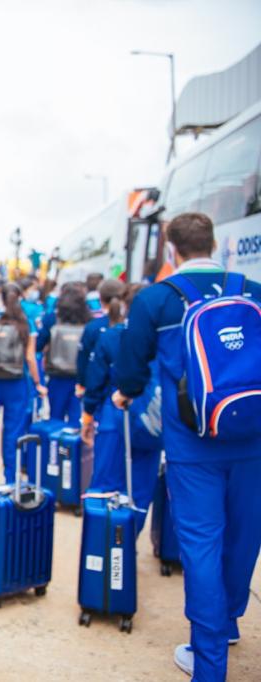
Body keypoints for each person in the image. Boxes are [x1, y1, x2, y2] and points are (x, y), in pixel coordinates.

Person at [113, 213, 261, 681]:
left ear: (170, 249)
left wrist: (124, 394)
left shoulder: (156, 299)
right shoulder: (252, 289)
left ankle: (209, 661)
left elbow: (132, 369)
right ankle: (229, 619)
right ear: (215, 243)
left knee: (201, 544)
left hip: (192, 443)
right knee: (244, 537)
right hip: (254, 436)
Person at [80, 283, 160, 533]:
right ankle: (125, 547)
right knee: (140, 489)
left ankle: (104, 547)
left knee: (105, 485)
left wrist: (87, 418)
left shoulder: (111, 336)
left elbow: (95, 382)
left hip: (115, 415)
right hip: (152, 418)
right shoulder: (163, 338)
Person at [0, 283, 47, 485]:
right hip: (16, 382)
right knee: (13, 430)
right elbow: (31, 357)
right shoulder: (26, 324)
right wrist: (37, 382)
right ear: (20, 297)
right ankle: (10, 476)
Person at [36, 282, 90, 424]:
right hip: (81, 377)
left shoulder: (51, 319)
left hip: (57, 375)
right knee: (77, 417)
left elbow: (39, 344)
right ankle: (74, 445)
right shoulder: (89, 321)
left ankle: (55, 445)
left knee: (55, 417)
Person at [75, 279, 126, 396]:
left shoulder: (93, 327)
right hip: (128, 392)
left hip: (100, 393)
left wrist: (82, 384)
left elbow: (83, 359)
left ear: (101, 300)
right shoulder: (132, 324)